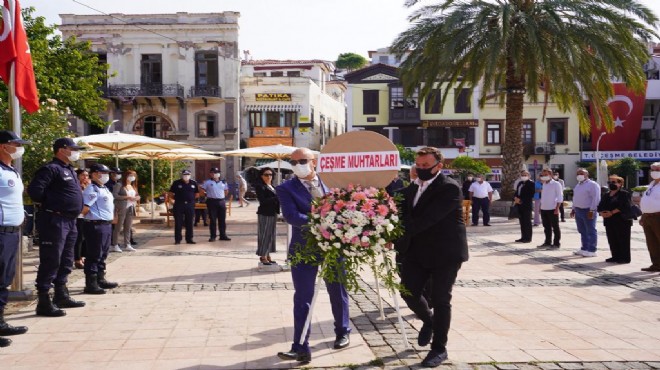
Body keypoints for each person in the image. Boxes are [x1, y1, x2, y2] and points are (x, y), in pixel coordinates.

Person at [276, 148, 350, 364]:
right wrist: (321, 223)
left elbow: (344, 209)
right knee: (303, 297)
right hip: (304, 249)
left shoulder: (332, 183)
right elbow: (291, 216)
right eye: (293, 161)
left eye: (302, 160)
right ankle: (300, 346)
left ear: (314, 162)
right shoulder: (285, 188)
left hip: (333, 247)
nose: (297, 164)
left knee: (337, 289)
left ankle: (343, 331)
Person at [395, 147, 468, 367]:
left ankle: (439, 349)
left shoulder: (449, 188)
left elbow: (427, 219)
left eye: (426, 166)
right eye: (419, 165)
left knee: (440, 299)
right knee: (408, 292)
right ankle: (429, 320)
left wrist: (397, 230)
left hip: (445, 253)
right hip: (416, 251)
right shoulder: (410, 189)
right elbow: (398, 212)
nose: (421, 169)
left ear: (439, 166)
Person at [28, 137, 87, 317]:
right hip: (55, 219)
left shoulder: (68, 169)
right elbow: (35, 192)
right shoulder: (51, 169)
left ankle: (61, 294)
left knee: (67, 259)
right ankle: (44, 300)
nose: (76, 152)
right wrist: (55, 204)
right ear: (62, 150)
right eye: (73, 148)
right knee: (51, 259)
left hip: (70, 221)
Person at [0, 131, 31, 347]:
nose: (19, 147)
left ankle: (0, 321)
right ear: (3, 146)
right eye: (16, 144)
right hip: (1, 232)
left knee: (4, 280)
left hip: (12, 232)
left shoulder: (11, 170)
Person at [81, 164, 119, 294]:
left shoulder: (104, 188)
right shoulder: (92, 189)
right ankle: (91, 283)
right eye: (105, 173)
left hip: (106, 224)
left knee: (103, 253)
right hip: (95, 224)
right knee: (94, 254)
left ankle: (100, 278)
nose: (107, 175)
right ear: (96, 173)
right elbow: (85, 208)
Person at [598, 175, 633, 264]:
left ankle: (624, 258)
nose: (611, 184)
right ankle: (615, 256)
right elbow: (600, 205)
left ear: (620, 183)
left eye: (613, 182)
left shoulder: (624, 193)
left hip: (622, 220)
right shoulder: (606, 194)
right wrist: (601, 212)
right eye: (609, 182)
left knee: (623, 239)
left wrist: (612, 212)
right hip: (609, 220)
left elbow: (624, 206)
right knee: (612, 239)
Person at [570, 168, 601, 257]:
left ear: (587, 174)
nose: (579, 175)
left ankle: (592, 250)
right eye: (578, 173)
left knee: (591, 230)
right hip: (578, 210)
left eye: (582, 173)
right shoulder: (578, 185)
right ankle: (584, 248)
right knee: (582, 231)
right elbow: (575, 198)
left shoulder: (592, 185)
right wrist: (573, 208)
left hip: (588, 210)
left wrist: (592, 210)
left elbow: (596, 198)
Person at [167, 169, 200, 245]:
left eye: (187, 175)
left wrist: (191, 199)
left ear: (190, 175)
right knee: (178, 222)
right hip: (179, 205)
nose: (186, 176)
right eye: (184, 175)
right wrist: (173, 200)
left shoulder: (194, 183)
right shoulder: (176, 183)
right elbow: (171, 193)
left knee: (190, 222)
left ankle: (189, 239)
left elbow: (197, 194)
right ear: (182, 175)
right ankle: (178, 239)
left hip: (189, 205)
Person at [255, 167, 280, 265]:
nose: (269, 176)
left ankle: (268, 255)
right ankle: (263, 256)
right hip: (264, 213)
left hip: (273, 213)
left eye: (270, 174)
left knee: (271, 235)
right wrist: (276, 197)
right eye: (266, 174)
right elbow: (263, 201)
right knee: (264, 234)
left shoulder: (272, 186)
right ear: (261, 176)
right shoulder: (260, 186)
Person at [112, 170, 140, 252]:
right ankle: (115, 244)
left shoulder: (132, 186)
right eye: (131, 175)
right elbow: (115, 195)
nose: (132, 177)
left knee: (128, 227)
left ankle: (127, 244)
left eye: (134, 175)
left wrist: (137, 197)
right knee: (118, 227)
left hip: (130, 207)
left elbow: (137, 194)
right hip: (121, 207)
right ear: (126, 176)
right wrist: (126, 197)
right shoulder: (119, 185)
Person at [640, 162, 660, 272]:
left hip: (658, 216)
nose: (654, 172)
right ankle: (656, 264)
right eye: (653, 169)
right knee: (652, 243)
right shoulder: (652, 184)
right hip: (648, 217)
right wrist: (643, 215)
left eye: (657, 169)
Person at [200, 168, 230, 242]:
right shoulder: (207, 182)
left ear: (219, 173)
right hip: (212, 202)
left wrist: (221, 196)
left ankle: (223, 235)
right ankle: (213, 236)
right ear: (210, 174)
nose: (214, 174)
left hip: (221, 201)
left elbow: (226, 191)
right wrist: (207, 195)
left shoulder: (223, 182)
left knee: (222, 219)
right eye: (212, 173)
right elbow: (202, 191)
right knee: (213, 220)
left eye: (216, 172)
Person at [537, 168, 563, 249]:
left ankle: (556, 243)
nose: (544, 176)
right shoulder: (544, 184)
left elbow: (559, 196)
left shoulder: (556, 184)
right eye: (543, 175)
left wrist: (557, 208)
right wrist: (540, 207)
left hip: (553, 208)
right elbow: (543, 197)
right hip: (544, 208)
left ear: (551, 175)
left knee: (555, 227)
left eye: (546, 175)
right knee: (546, 227)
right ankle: (547, 242)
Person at [74, 169, 90, 269]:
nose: (85, 177)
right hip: (78, 215)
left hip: (86, 215)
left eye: (87, 175)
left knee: (85, 238)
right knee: (79, 238)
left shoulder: (87, 186)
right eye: (83, 175)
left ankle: (83, 256)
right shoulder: (75, 186)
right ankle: (77, 258)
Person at [514, 170, 535, 243]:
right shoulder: (520, 183)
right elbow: (517, 192)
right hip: (519, 205)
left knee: (527, 222)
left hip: (526, 205)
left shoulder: (531, 183)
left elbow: (530, 194)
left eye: (525, 175)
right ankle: (523, 237)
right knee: (522, 222)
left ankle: (528, 238)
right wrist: (515, 198)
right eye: (522, 175)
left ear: (529, 176)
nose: (523, 176)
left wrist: (521, 200)